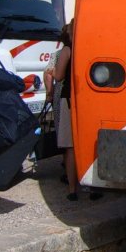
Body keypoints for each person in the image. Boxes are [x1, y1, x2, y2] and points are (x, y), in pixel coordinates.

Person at [52, 21, 78, 200]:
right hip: (87, 99)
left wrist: (51, 73)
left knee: (70, 147)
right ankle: (94, 189)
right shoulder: (89, 46)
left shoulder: (67, 50)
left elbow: (60, 75)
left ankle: (72, 189)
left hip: (69, 99)